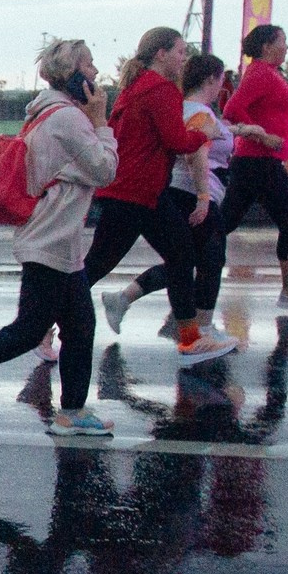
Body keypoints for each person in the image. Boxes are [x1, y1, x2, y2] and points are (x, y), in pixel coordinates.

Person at [0, 39, 118, 435]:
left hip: (57, 241)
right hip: (49, 240)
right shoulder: (68, 119)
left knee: (80, 325)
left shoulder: (49, 112)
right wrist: (101, 121)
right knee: (28, 331)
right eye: (90, 65)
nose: (97, 74)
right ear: (74, 74)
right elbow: (104, 169)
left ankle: (72, 412)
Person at [79, 28, 242, 365]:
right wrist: (204, 132)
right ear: (161, 54)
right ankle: (41, 327)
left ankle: (190, 339)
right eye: (181, 52)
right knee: (96, 265)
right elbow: (178, 141)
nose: (185, 59)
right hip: (134, 193)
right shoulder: (160, 89)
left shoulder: (138, 87)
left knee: (181, 255)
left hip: (143, 193)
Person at [101, 51, 267, 337]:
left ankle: (139, 305)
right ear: (212, 79)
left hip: (174, 191)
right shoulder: (200, 113)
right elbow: (196, 155)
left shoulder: (183, 107)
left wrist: (242, 129)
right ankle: (198, 328)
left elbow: (206, 133)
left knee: (184, 259)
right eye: (222, 81)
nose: (223, 88)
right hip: (195, 194)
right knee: (209, 261)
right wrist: (203, 197)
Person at [217, 23, 288, 311]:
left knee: (222, 225)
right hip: (258, 160)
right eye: (284, 41)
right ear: (267, 47)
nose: (287, 47)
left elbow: (272, 111)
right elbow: (231, 111)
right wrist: (263, 136)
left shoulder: (268, 74)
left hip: (257, 161)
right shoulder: (259, 73)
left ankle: (177, 267)